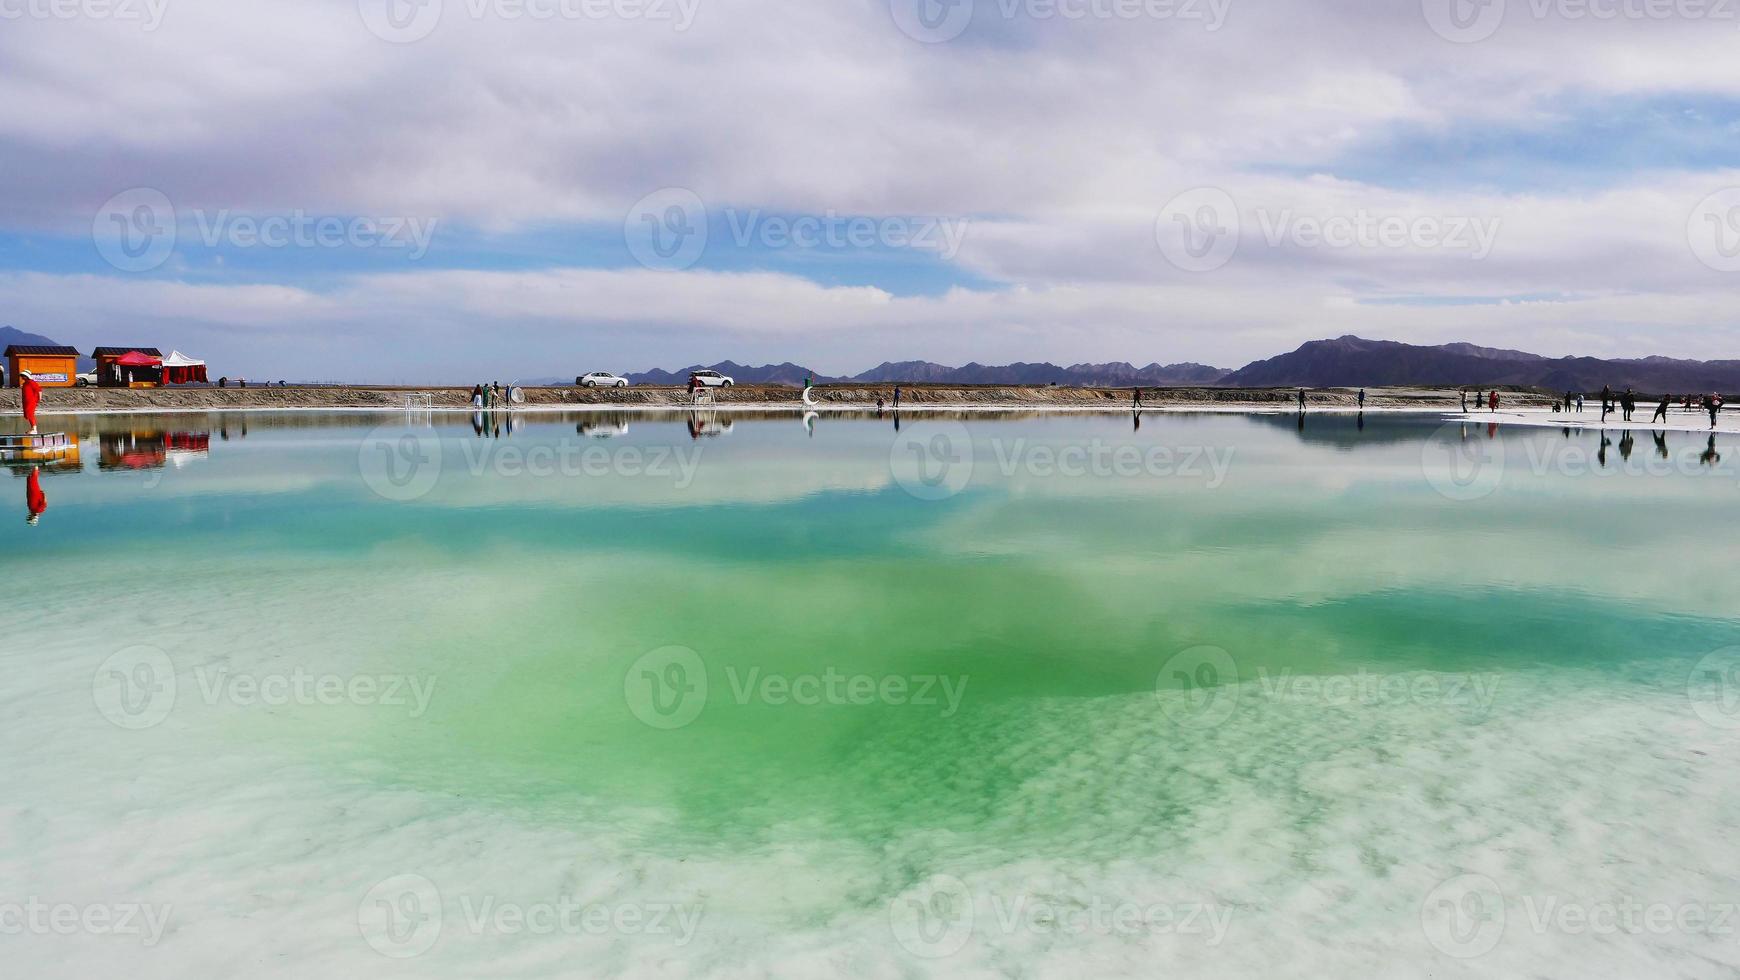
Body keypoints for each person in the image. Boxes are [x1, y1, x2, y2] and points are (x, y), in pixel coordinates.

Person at [20, 369, 41, 435]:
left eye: (23, 376)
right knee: (28, 414)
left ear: (26, 376)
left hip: (31, 401)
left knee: (30, 414)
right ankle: (32, 428)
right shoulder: (25, 383)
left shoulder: (32, 382)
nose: (22, 377)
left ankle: (34, 429)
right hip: (26, 401)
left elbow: (39, 391)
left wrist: (38, 399)